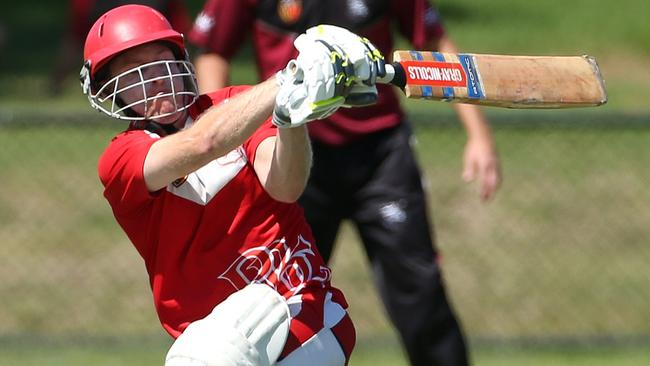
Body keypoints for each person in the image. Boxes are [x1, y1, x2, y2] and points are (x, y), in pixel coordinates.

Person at [188, 1, 502, 365]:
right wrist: (222, 141)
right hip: (292, 157)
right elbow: (214, 52)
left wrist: (479, 135)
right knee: (274, 305)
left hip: (381, 155)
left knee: (421, 294)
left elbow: (434, 43)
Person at [79, 4, 386, 365]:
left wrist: (292, 116)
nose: (155, 80)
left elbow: (286, 186)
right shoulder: (121, 158)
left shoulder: (236, 106)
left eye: (160, 64)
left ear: (179, 64)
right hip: (214, 336)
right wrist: (287, 78)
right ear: (113, 92)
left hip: (300, 308)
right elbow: (202, 143)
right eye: (134, 74)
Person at [51, 0, 191, 94]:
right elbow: (76, 37)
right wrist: (58, 80)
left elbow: (179, 36)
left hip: (159, 57)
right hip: (116, 71)